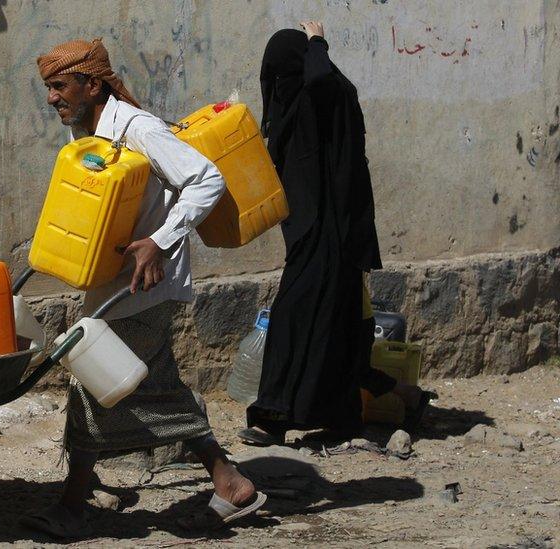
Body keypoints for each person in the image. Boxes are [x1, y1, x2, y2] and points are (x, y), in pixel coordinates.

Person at [22, 38, 266, 538]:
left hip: (145, 283)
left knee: (96, 383)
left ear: (92, 84)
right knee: (138, 384)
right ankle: (228, 480)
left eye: (59, 86)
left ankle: (74, 505)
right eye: (48, 88)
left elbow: (205, 179)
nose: (52, 98)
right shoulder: (88, 134)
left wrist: (159, 240)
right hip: (113, 284)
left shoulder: (138, 129)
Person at [238, 22, 434, 447]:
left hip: (331, 233)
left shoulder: (327, 93)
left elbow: (322, 78)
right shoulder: (297, 104)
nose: (274, 83)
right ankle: (378, 405)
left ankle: (271, 418)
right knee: (341, 335)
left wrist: (317, 41)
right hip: (320, 236)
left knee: (294, 321)